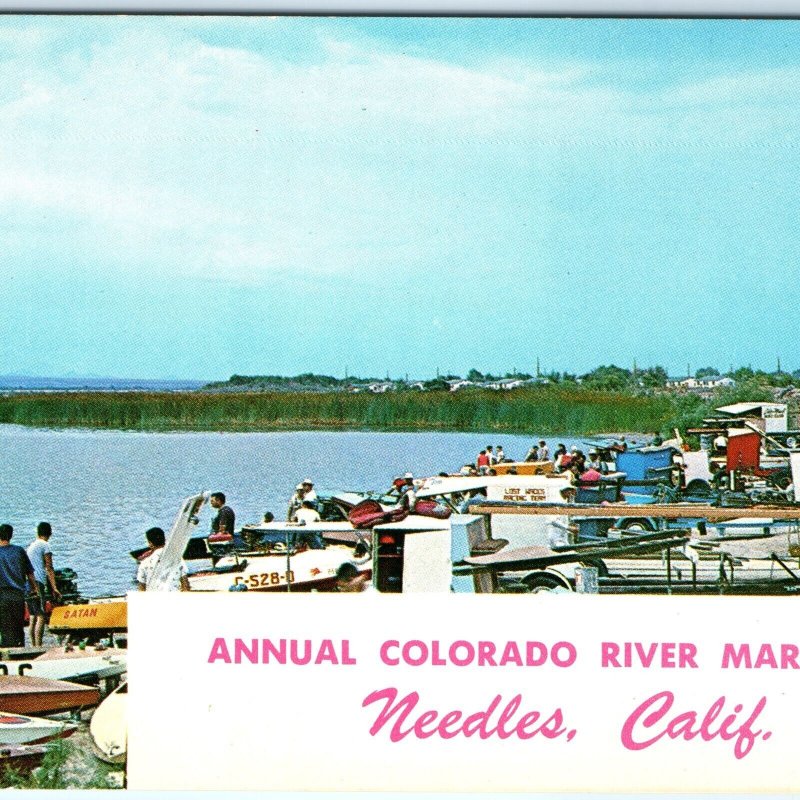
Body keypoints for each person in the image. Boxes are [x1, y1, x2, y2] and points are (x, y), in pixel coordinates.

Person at [0, 524, 41, 647]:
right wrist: (35, 589)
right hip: (18, 596)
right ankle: (19, 651)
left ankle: (7, 656)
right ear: (11, 536)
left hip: (1, 596)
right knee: (18, 628)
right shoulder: (19, 551)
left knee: (5, 629)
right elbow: (30, 573)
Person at [26, 522, 62, 647]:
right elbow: (49, 567)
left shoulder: (32, 545)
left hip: (27, 582)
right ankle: (39, 646)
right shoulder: (45, 545)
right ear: (49, 533)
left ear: (38, 532)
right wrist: (55, 588)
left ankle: (32, 646)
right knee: (41, 615)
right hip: (38, 582)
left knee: (32, 616)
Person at [137, 527, 189, 591]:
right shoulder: (177, 558)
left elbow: (141, 590)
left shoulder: (144, 563)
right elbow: (185, 584)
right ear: (165, 540)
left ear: (150, 543)